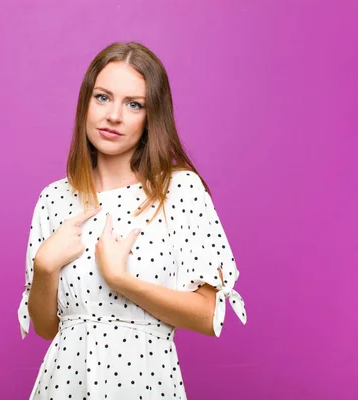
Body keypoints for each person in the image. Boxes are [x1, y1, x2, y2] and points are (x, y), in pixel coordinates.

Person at [17, 41, 247, 399]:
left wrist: (121, 280)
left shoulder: (179, 190)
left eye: (133, 104)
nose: (113, 116)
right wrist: (45, 266)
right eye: (103, 98)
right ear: (86, 104)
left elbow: (207, 316)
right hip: (63, 384)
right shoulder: (54, 199)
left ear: (151, 116)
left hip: (146, 384)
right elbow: (47, 328)